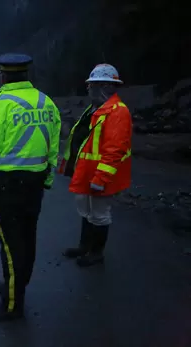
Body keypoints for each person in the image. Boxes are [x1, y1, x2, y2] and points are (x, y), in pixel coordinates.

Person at [0, 53, 61, 321]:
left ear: (2, 76)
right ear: (26, 74)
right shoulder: (46, 102)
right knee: (27, 240)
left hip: (8, 188)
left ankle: (10, 304)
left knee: (9, 246)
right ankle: (16, 286)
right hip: (35, 185)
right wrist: (49, 178)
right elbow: (53, 146)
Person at [58, 63, 132, 267]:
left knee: (99, 214)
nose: (89, 89)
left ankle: (96, 252)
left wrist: (101, 178)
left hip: (101, 175)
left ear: (106, 86)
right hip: (87, 172)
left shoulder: (117, 112)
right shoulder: (95, 109)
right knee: (86, 210)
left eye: (92, 85)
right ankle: (85, 246)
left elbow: (115, 149)